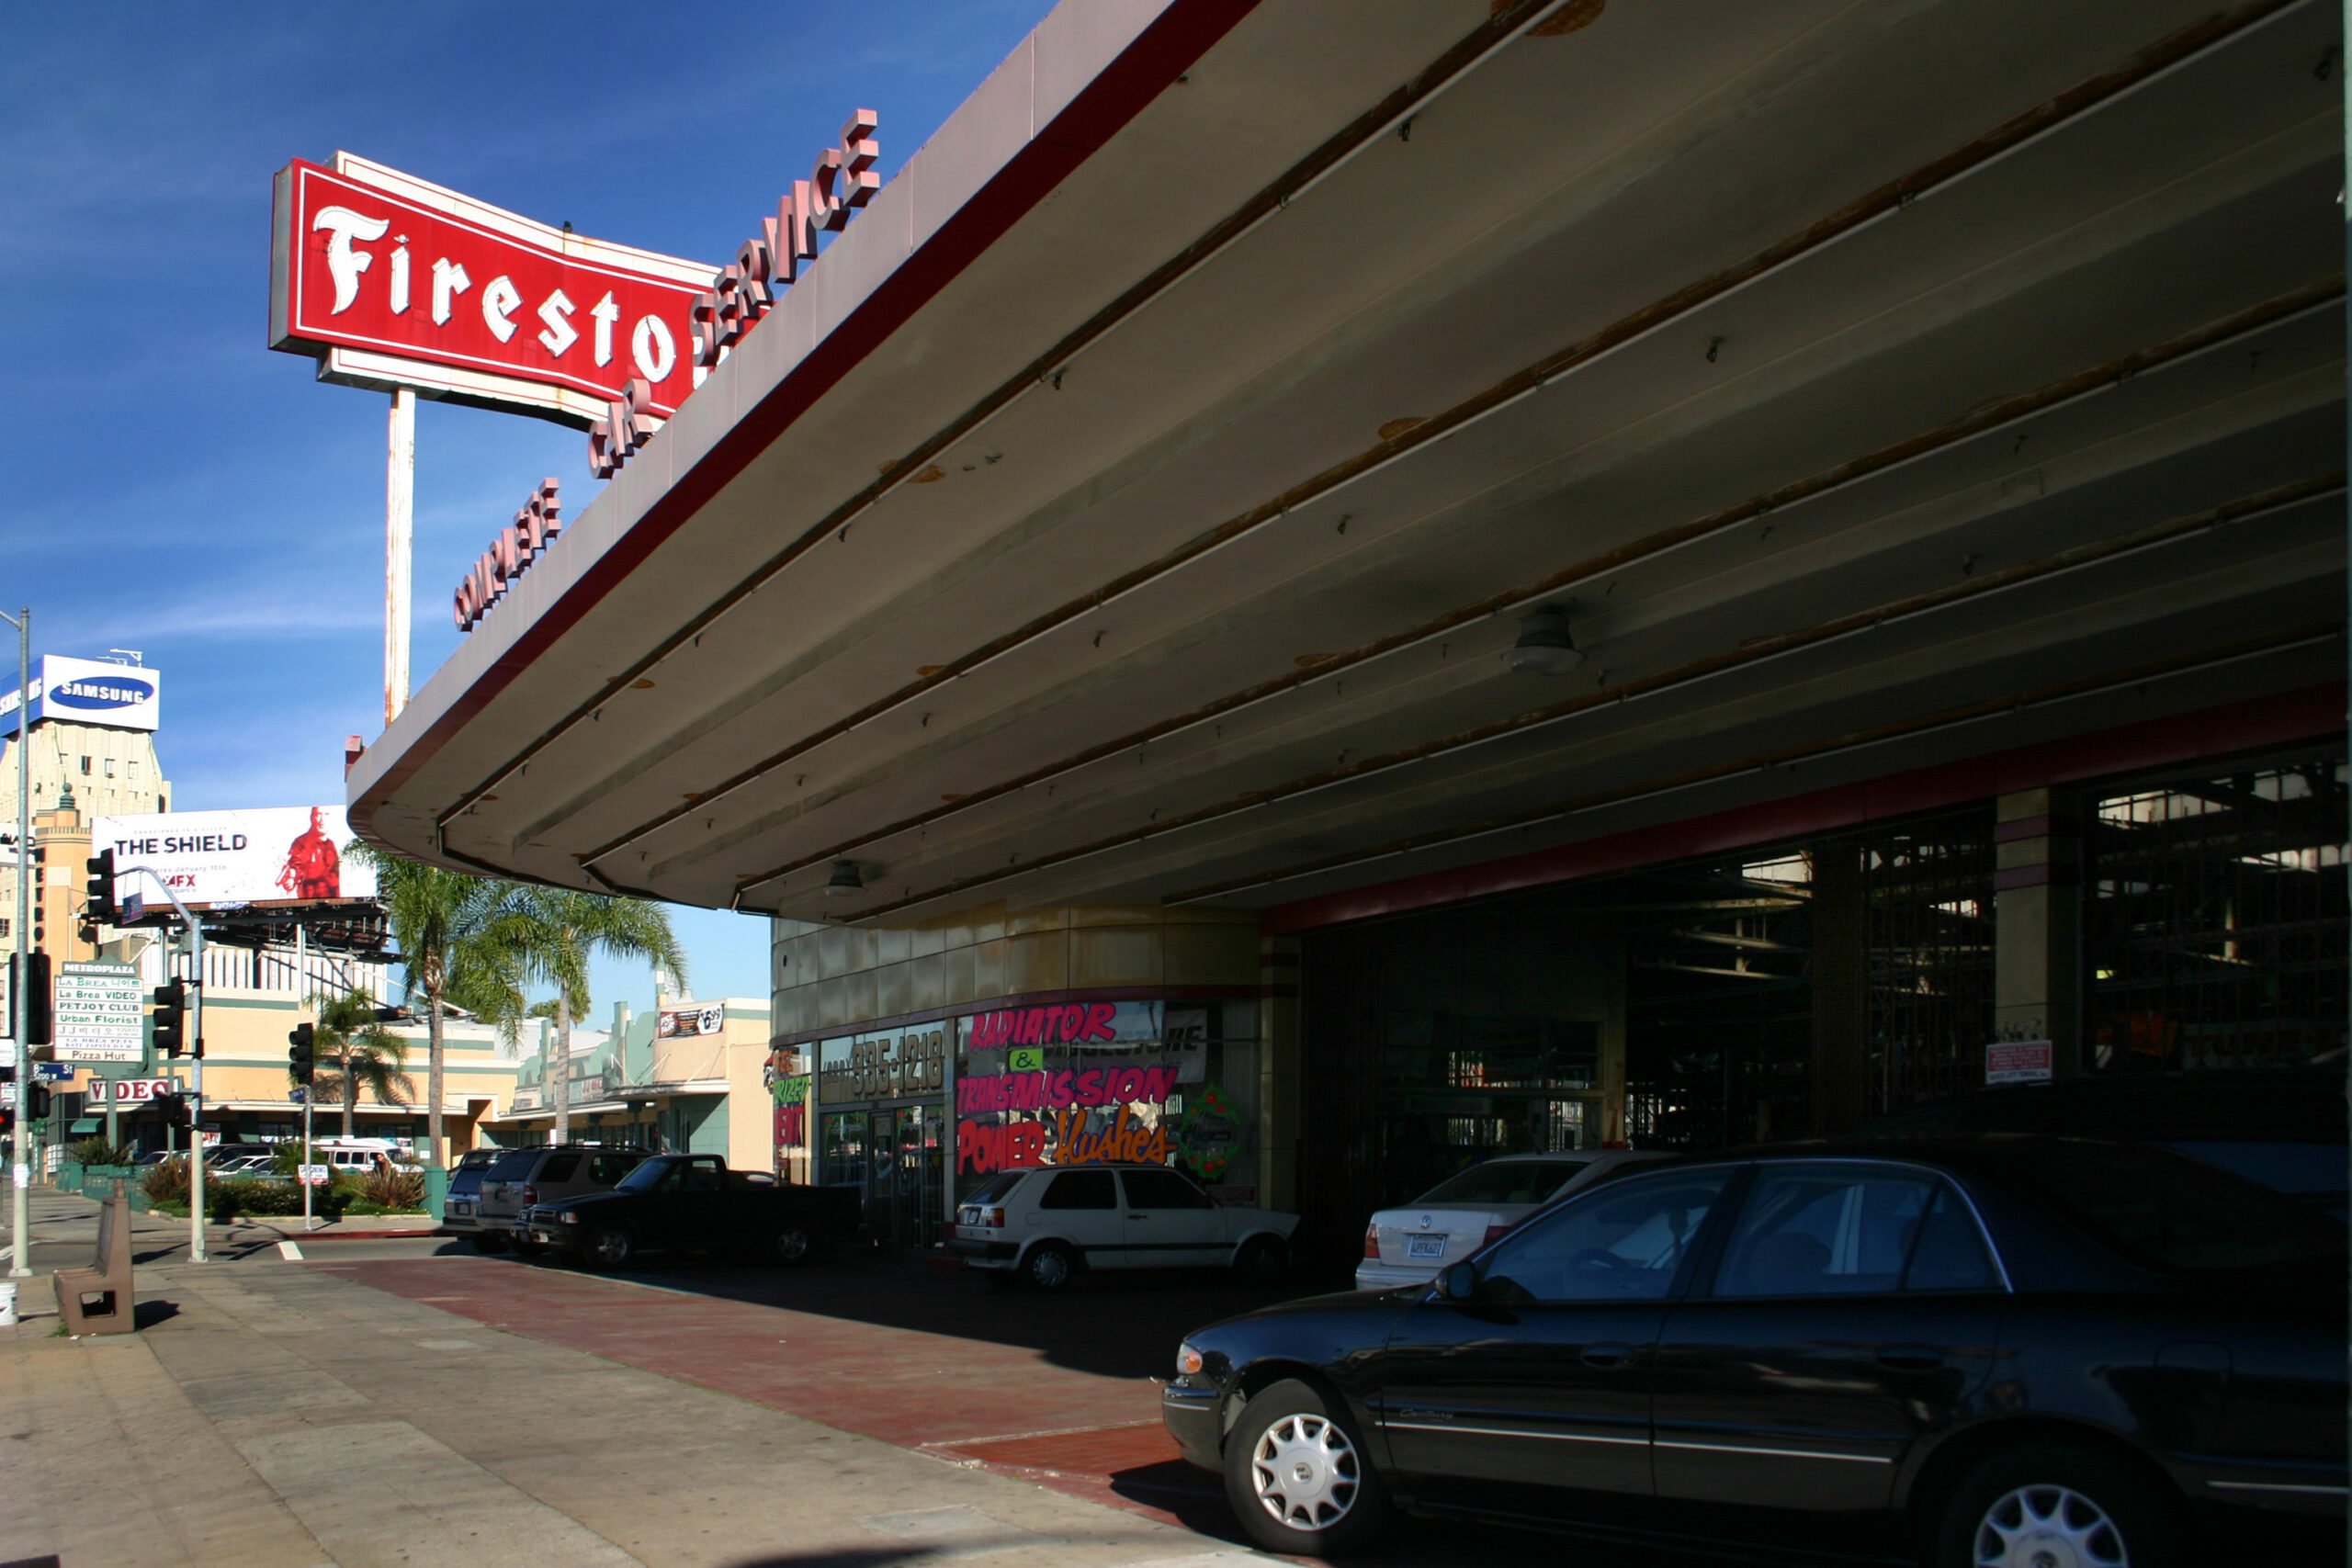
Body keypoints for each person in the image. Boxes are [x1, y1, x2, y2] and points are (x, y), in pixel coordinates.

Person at [278, 808, 341, 900]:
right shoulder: (301, 842)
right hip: (308, 903)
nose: (322, 820)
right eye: (318, 815)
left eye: (326, 814)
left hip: (333, 904)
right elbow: (294, 865)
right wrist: (292, 878)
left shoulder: (332, 845)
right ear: (312, 818)